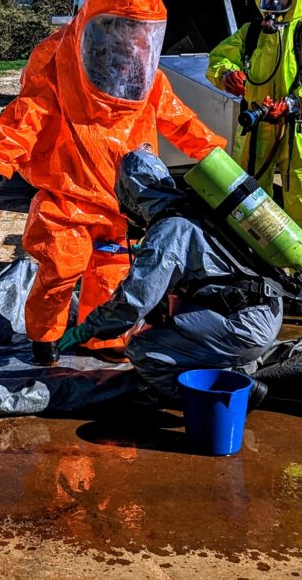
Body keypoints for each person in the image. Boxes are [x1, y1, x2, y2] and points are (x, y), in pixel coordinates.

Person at [0, 0, 225, 366]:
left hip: (123, 200)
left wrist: (212, 153)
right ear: (100, 23)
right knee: (61, 267)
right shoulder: (60, 64)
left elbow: (179, 120)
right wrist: (1, 158)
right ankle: (45, 338)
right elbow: (29, 112)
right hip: (67, 195)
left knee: (112, 272)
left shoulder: (145, 75)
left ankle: (103, 339)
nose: (128, 36)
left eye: (137, 28)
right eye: (121, 25)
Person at [60, 148, 281, 403]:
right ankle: (234, 364)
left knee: (143, 348)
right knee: (168, 309)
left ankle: (217, 396)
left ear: (130, 198)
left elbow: (132, 303)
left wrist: (87, 329)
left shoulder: (167, 232)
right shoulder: (193, 205)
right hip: (268, 307)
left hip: (246, 327)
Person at [206, 0, 302, 317]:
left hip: (298, 131)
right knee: (247, 206)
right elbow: (218, 58)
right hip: (256, 131)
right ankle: (253, 271)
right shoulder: (250, 35)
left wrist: (294, 102)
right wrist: (226, 75)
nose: (274, 6)